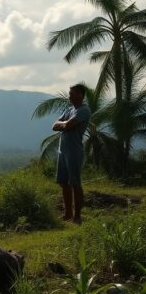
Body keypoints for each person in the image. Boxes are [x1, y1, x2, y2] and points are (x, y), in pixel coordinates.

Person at [53, 84, 91, 224]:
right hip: (62, 150)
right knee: (64, 183)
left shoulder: (84, 110)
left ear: (80, 95)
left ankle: (77, 216)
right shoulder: (70, 110)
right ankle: (67, 213)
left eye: (72, 93)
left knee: (75, 183)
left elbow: (68, 125)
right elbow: (54, 125)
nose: (69, 96)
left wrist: (63, 125)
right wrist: (64, 124)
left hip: (74, 150)